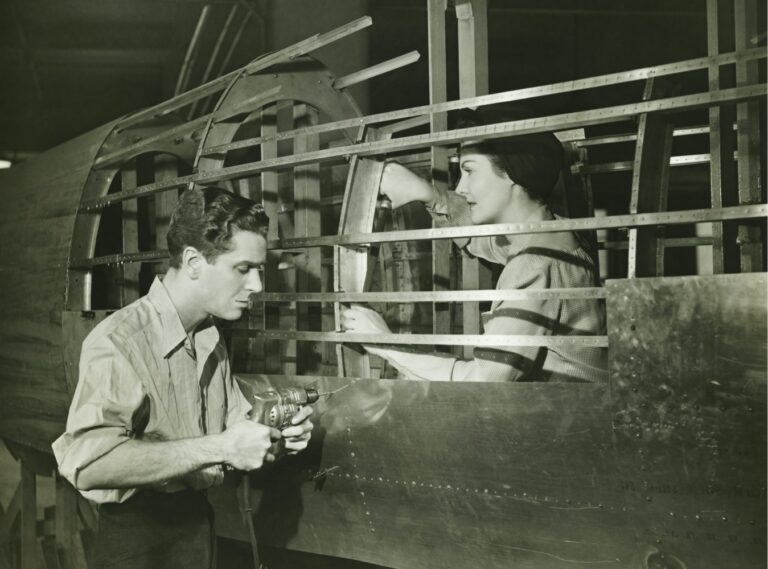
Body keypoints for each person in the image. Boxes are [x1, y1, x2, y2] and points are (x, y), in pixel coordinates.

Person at [53, 187, 313, 569]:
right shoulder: (120, 340)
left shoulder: (210, 338)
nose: (257, 286)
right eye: (243, 269)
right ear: (193, 261)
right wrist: (220, 449)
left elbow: (234, 439)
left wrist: (276, 439)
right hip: (137, 542)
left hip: (197, 527)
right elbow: (88, 465)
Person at [341, 110, 607, 383]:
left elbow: (483, 381)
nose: (461, 187)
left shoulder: (535, 264)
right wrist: (430, 196)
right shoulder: (557, 234)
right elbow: (486, 241)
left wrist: (384, 344)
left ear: (513, 175)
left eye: (469, 171)